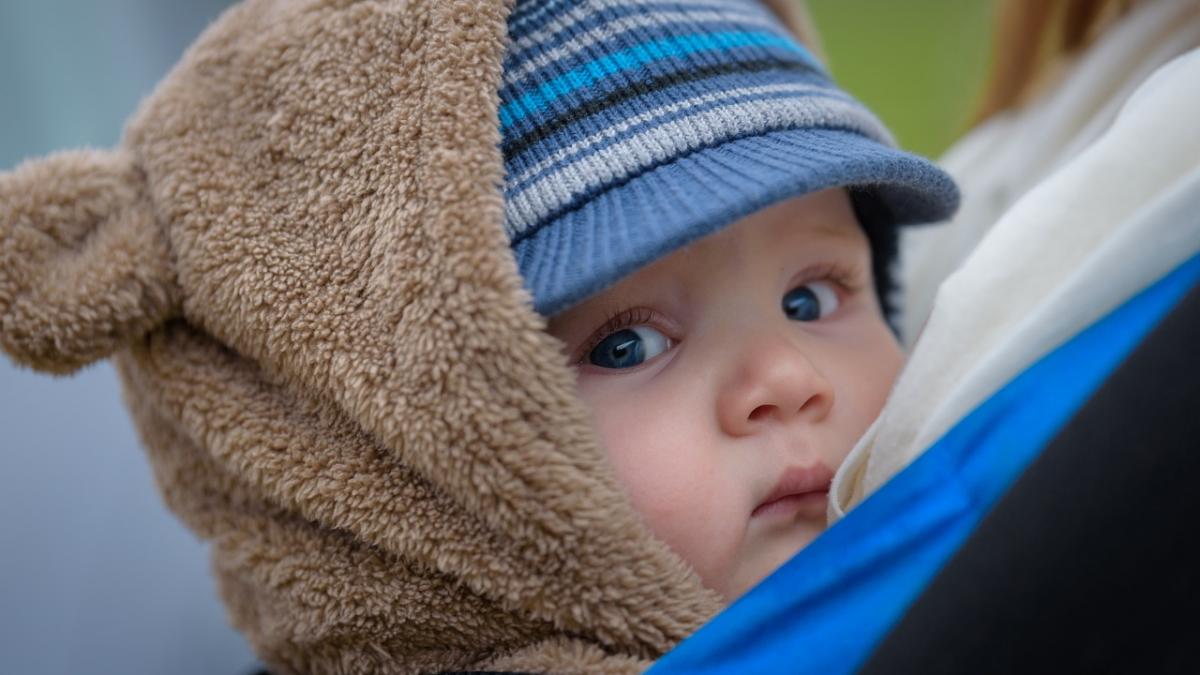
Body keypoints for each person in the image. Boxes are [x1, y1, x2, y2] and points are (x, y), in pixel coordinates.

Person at [0, 0, 955, 672]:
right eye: (626, 345)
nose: (786, 377)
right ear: (403, 473)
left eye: (811, 298)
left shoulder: (976, 560)